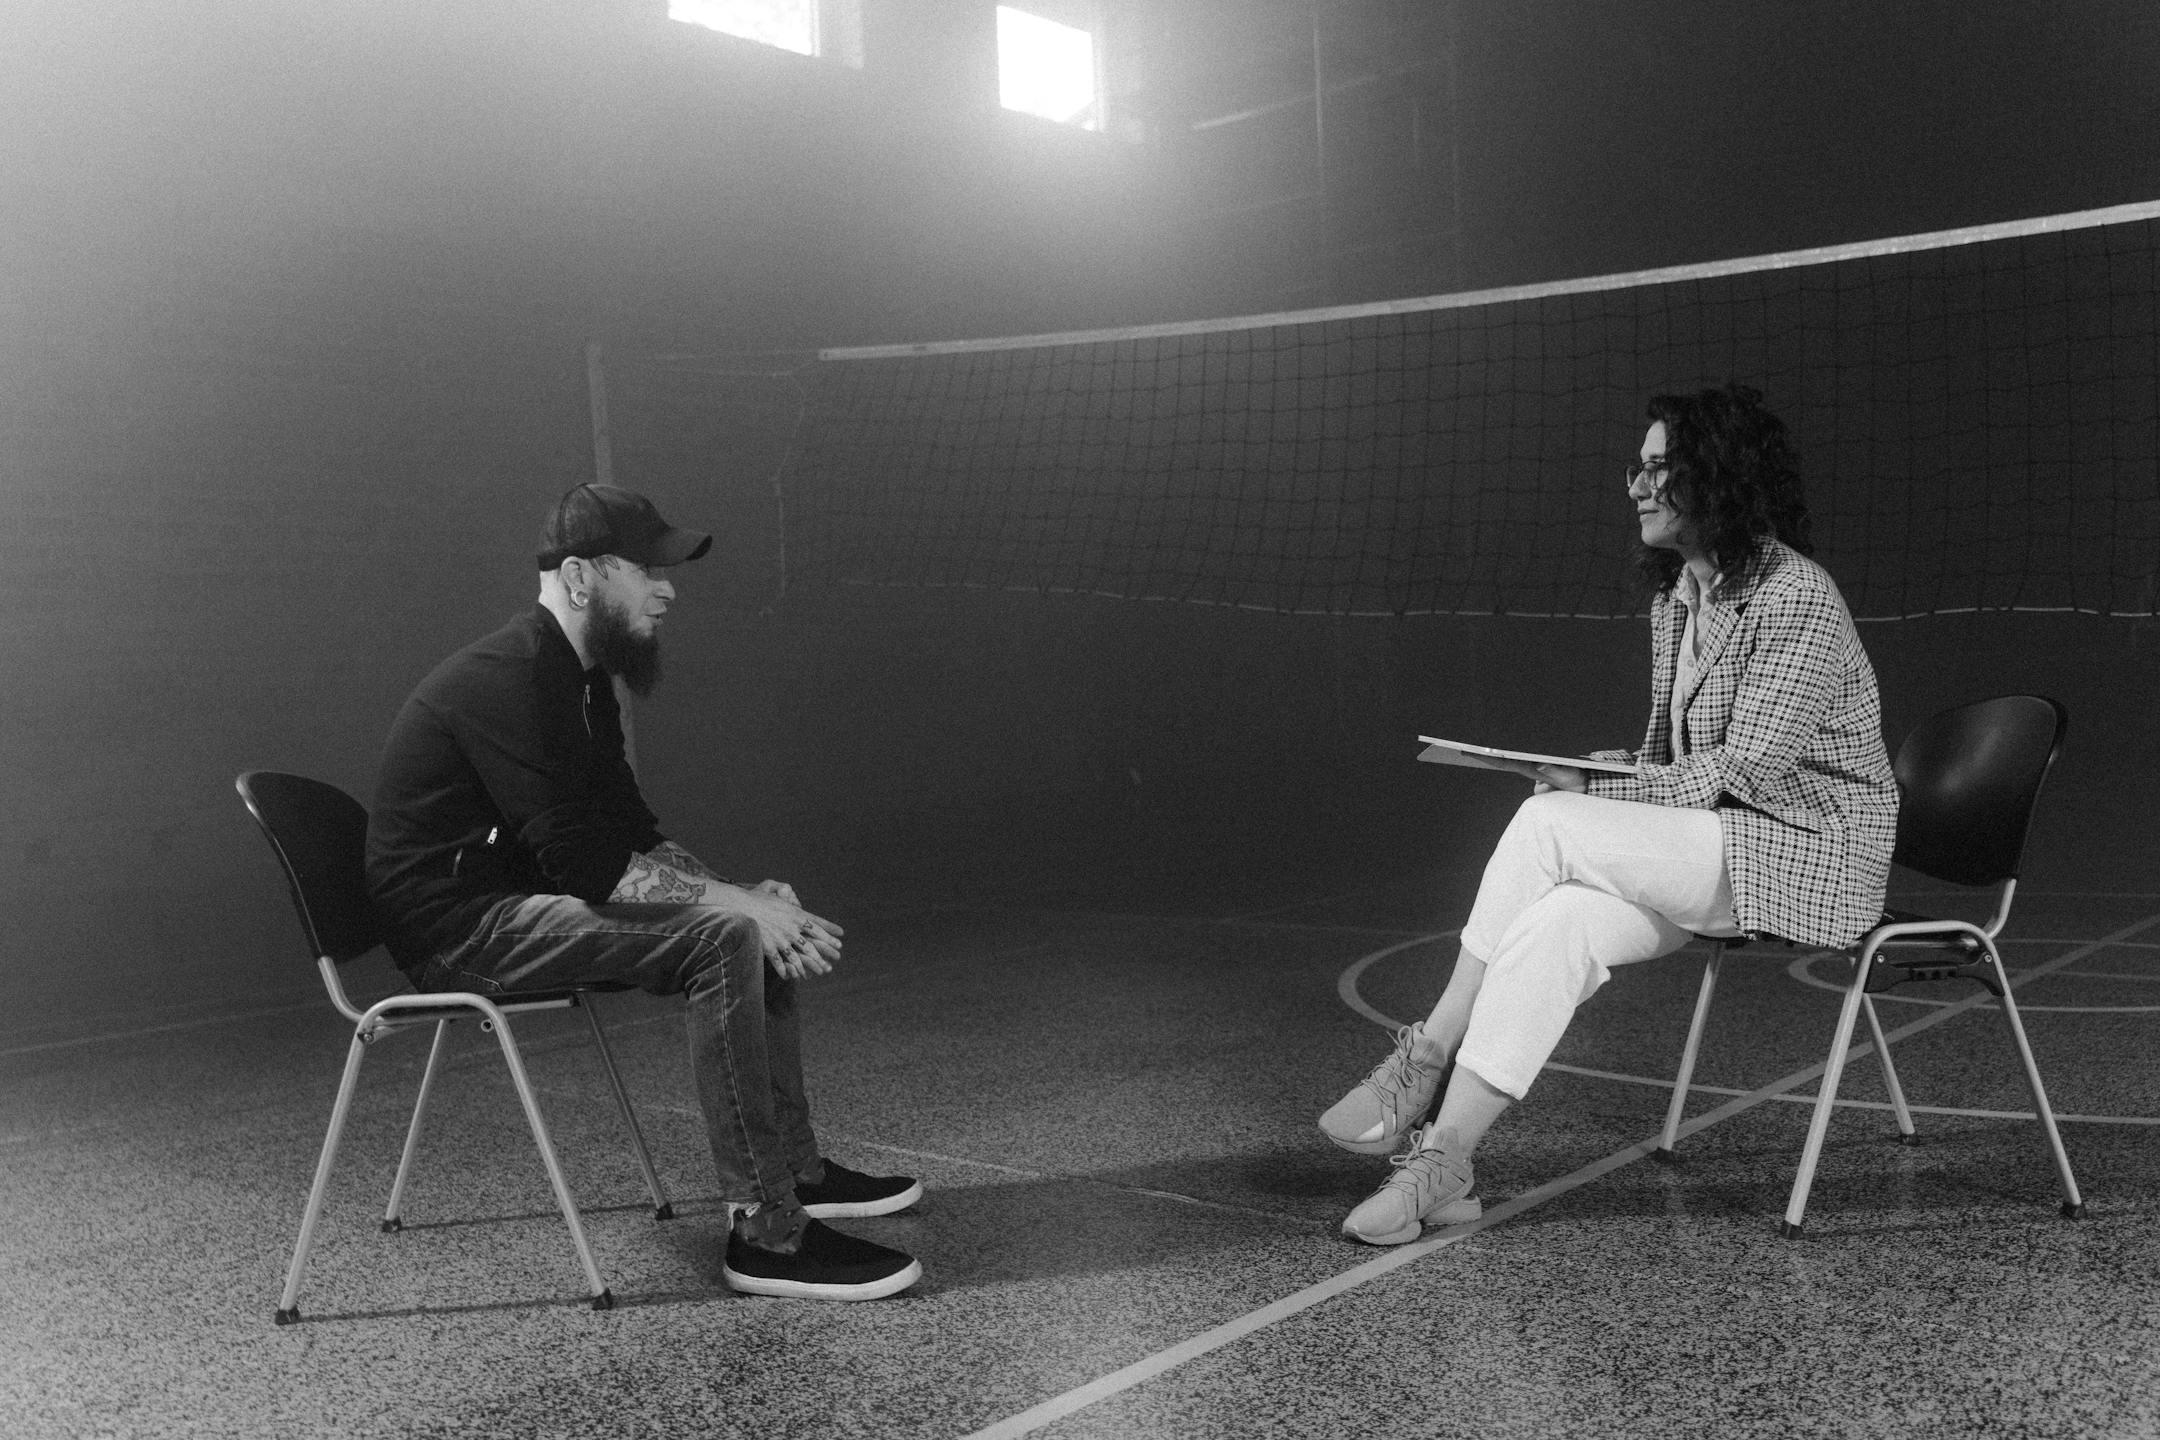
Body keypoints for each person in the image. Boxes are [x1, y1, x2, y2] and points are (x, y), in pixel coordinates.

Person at [1318, 384, 1898, 1245]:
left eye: (1660, 469)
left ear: (1721, 477)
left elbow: (1743, 770)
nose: (1637, 485)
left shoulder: (1796, 597)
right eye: (1639, 466)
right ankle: (1445, 1162)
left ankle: (1425, 1058)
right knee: (1560, 922)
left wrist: (1590, 796)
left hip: (1808, 854)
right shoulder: (1677, 601)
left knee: (1551, 821)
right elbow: (1674, 763)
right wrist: (1602, 770)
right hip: (1722, 846)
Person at [366, 482, 923, 1300]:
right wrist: (735, 910)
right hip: (462, 933)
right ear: (584, 577)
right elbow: (589, 868)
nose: (668, 590)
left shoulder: (580, 681)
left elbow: (631, 830)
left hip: (514, 907)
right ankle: (767, 1234)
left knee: (737, 912)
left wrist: (739, 891)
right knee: (724, 931)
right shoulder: (512, 678)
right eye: (649, 570)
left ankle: (796, 1173)